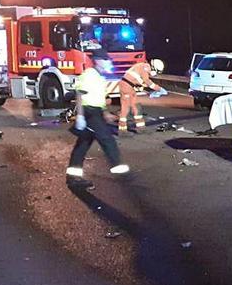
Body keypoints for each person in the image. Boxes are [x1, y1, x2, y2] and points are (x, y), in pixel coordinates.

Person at [66, 49, 130, 189]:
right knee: (107, 139)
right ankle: (118, 168)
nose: (108, 62)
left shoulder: (100, 77)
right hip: (89, 111)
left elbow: (99, 98)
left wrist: (105, 112)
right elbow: (79, 93)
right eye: (106, 60)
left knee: (83, 145)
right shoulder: (89, 74)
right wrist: (81, 116)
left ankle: (73, 177)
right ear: (98, 61)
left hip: (96, 111)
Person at [118, 59, 167, 132]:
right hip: (126, 87)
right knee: (126, 108)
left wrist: (141, 87)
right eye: (156, 71)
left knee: (136, 106)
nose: (154, 73)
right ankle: (122, 130)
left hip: (130, 87)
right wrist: (159, 89)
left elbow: (136, 80)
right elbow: (147, 82)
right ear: (154, 67)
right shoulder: (145, 67)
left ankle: (141, 127)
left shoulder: (142, 67)